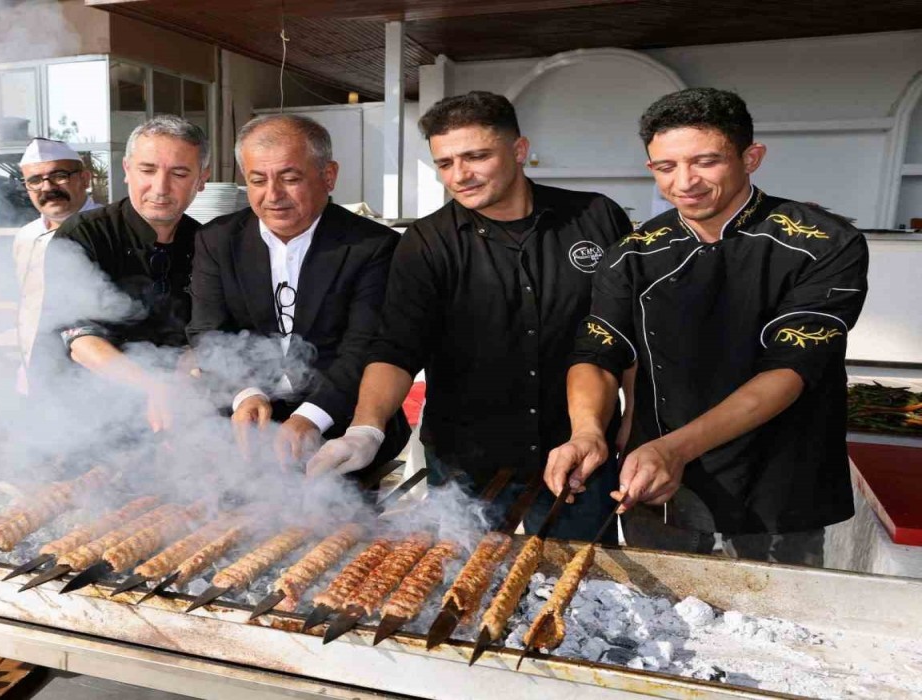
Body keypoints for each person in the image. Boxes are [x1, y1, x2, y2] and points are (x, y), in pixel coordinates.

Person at [544, 87, 869, 566]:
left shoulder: (823, 243)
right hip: (655, 486)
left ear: (751, 157)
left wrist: (675, 449)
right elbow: (597, 352)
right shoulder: (633, 253)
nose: (684, 183)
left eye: (706, 161)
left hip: (776, 482)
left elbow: (790, 371)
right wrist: (587, 431)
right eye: (665, 167)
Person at [306, 91, 634, 541]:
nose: (459, 175)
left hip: (578, 450)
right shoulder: (426, 243)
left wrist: (633, 414)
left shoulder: (596, 217)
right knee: (462, 585)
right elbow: (397, 346)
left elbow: (626, 331)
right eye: (445, 163)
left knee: (578, 586)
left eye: (476, 156)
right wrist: (366, 426)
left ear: (519, 150)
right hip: (467, 462)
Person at [187, 114, 409, 470]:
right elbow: (209, 332)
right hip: (244, 428)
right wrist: (246, 392)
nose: (273, 196)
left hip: (341, 427)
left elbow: (365, 346)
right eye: (257, 180)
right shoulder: (217, 239)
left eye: (290, 178)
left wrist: (312, 417)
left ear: (328, 175)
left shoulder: (372, 246)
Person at [32, 116, 210, 431]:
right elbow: (80, 337)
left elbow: (208, 332)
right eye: (147, 170)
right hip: (80, 415)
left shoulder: (205, 243)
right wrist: (153, 387)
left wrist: (186, 372)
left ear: (202, 179)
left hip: (170, 414)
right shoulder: (85, 233)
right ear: (127, 170)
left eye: (180, 173)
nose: (161, 187)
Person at [13, 138, 102, 395]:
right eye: (35, 180)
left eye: (59, 175)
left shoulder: (109, 231)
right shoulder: (25, 237)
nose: (47, 187)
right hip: (37, 377)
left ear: (85, 179)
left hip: (94, 385)